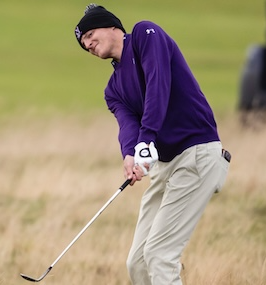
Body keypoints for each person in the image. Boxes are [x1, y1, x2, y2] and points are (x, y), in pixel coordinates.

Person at [74, 4, 231, 285]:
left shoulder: (147, 35)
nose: (87, 44)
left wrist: (146, 141)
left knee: (159, 254)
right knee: (138, 262)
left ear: (113, 27)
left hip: (196, 154)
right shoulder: (113, 90)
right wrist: (130, 155)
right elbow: (127, 126)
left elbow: (159, 85)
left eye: (89, 34)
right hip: (165, 165)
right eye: (84, 44)